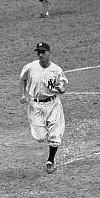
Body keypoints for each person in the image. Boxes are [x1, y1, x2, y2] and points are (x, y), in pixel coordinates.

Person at [19, 41, 68, 174]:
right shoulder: (30, 67)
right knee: (40, 137)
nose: (40, 55)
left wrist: (61, 89)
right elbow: (23, 79)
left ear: (48, 53)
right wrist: (23, 94)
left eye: (43, 52)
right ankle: (49, 140)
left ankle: (50, 160)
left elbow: (63, 87)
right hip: (36, 105)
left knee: (55, 133)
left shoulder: (56, 70)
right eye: (38, 52)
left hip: (53, 103)